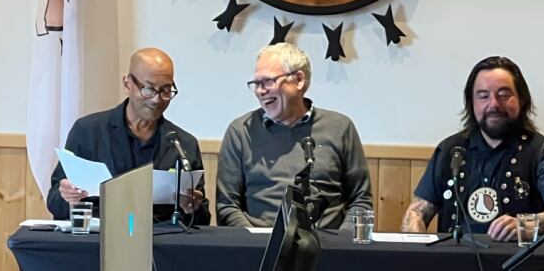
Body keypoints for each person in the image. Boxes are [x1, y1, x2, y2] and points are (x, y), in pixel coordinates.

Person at [401, 56, 544, 241]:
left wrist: (527, 224)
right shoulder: (450, 150)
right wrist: (421, 254)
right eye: (483, 96)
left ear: (522, 99)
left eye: (504, 95)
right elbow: (415, 214)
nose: (493, 104)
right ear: (471, 103)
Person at [216, 43, 373, 229]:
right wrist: (254, 242)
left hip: (328, 247)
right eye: (256, 84)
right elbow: (227, 206)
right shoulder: (241, 131)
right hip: (260, 248)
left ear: (298, 80)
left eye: (268, 81)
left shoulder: (340, 128)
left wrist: (342, 245)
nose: (260, 90)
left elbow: (360, 200)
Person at [47, 47, 210, 225]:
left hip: (161, 242)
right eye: (148, 89)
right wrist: (67, 196)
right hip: (99, 239)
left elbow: (201, 220)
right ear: (127, 85)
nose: (156, 99)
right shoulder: (88, 131)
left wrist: (193, 207)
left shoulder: (183, 143)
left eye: (165, 90)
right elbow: (54, 200)